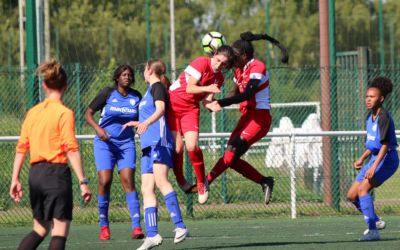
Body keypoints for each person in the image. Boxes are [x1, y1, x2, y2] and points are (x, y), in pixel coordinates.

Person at [9, 59, 92, 250]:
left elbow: (22, 147)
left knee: (40, 229)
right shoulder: (64, 113)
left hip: (35, 174)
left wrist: (15, 178)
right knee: (59, 230)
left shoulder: (33, 112)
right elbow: (70, 148)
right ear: (66, 86)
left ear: (45, 85)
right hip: (55, 174)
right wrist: (83, 182)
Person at [204, 32, 278, 205]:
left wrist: (220, 103)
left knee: (230, 156)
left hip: (259, 119)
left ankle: (205, 181)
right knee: (230, 159)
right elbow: (234, 93)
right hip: (247, 117)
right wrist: (211, 101)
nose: (231, 60)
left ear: (244, 56)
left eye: (234, 57)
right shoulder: (239, 70)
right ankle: (265, 181)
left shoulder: (257, 66)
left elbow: (247, 94)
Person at [124, 59, 188, 250]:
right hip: (147, 146)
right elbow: (150, 113)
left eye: (144, 69)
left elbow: (160, 110)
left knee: (161, 181)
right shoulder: (147, 93)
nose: (143, 72)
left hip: (159, 142)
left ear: (149, 70)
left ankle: (180, 226)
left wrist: (145, 124)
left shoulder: (158, 86)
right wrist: (138, 123)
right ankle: (152, 235)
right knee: (146, 189)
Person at [168, 45, 235, 204]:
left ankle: (201, 183)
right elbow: (190, 88)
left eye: (224, 64)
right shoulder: (201, 63)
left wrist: (210, 105)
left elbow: (206, 100)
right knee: (178, 147)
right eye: (218, 60)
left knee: (192, 146)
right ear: (215, 54)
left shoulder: (219, 79)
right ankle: (181, 180)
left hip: (190, 109)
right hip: (173, 105)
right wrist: (207, 87)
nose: (219, 65)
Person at [84, 65, 144, 240]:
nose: (127, 77)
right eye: (123, 74)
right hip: (105, 144)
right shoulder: (107, 93)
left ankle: (137, 227)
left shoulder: (136, 96)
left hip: (126, 144)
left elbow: (141, 119)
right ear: (117, 78)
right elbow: (88, 114)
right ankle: (104, 225)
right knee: (105, 180)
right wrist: (98, 130)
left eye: (129, 75)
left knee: (128, 180)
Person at [346, 76, 398, 241]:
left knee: (363, 190)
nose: (368, 100)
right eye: (367, 96)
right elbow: (373, 145)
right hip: (375, 158)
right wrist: (362, 159)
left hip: (387, 159)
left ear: (381, 98)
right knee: (352, 195)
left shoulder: (384, 117)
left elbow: (384, 145)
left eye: (372, 97)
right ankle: (375, 220)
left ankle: (373, 231)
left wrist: (373, 167)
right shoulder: (370, 118)